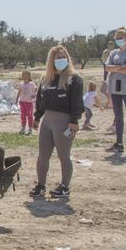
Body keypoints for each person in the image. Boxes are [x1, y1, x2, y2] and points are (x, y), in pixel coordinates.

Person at [30, 45, 84, 200]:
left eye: (63, 57)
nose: (61, 60)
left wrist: (74, 121)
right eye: (57, 57)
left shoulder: (74, 79)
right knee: (43, 154)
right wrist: (37, 117)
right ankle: (41, 185)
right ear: (51, 61)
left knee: (63, 155)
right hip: (47, 120)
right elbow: (40, 100)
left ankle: (65, 186)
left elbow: (76, 102)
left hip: (64, 120)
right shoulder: (46, 79)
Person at [105, 27, 126, 155]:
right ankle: (119, 143)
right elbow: (107, 67)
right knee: (118, 116)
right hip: (115, 88)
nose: (120, 40)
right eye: (117, 38)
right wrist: (121, 67)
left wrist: (116, 68)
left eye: (122, 37)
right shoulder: (114, 53)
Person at [15, 70, 37, 135]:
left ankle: (30, 128)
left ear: (29, 76)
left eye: (27, 75)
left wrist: (34, 95)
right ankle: (23, 128)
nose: (25, 77)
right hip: (22, 102)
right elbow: (19, 92)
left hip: (29, 103)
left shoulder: (32, 84)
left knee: (30, 116)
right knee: (23, 115)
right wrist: (16, 99)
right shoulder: (21, 84)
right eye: (24, 75)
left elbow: (36, 90)